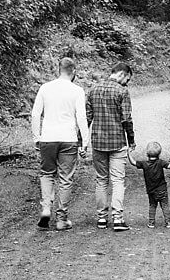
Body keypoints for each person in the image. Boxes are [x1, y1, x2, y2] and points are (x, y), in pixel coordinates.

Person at [31, 57, 89, 231]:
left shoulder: (45, 88)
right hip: (68, 138)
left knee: (47, 174)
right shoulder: (77, 91)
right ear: (74, 72)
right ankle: (61, 219)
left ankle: (46, 208)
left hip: (47, 138)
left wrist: (36, 137)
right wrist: (84, 142)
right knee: (65, 178)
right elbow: (81, 117)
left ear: (59, 69)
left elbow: (35, 114)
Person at [86, 61, 135, 231]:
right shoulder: (122, 91)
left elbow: (87, 118)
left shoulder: (93, 90)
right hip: (117, 142)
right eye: (127, 79)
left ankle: (101, 218)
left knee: (101, 180)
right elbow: (126, 119)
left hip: (98, 142)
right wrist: (132, 140)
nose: (127, 82)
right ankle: (117, 219)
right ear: (122, 74)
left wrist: (82, 140)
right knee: (118, 180)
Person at [128, 141, 170, 229]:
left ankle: (151, 223)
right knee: (165, 205)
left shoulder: (144, 164)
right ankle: (168, 222)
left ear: (147, 153)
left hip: (151, 190)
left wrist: (128, 153)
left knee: (152, 205)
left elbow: (133, 162)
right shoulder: (160, 162)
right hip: (162, 189)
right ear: (159, 153)